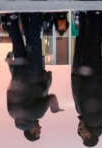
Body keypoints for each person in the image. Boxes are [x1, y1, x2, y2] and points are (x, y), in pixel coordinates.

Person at [5, 13, 63, 142]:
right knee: (17, 44)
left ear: (31, 131)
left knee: (34, 41)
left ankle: (35, 15)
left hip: (34, 73)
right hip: (19, 73)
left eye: (38, 132)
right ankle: (12, 19)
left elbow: (51, 98)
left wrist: (55, 109)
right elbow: (11, 91)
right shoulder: (12, 113)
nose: (40, 128)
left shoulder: (36, 114)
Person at [72, 11, 102, 147]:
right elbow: (88, 95)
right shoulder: (93, 120)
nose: (79, 131)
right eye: (82, 135)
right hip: (90, 75)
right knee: (90, 43)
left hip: (91, 75)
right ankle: (92, 15)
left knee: (90, 43)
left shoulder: (94, 119)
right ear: (89, 136)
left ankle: (91, 16)